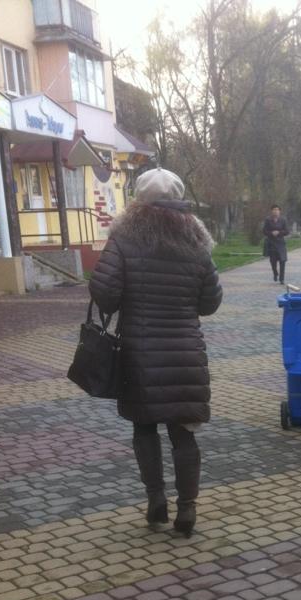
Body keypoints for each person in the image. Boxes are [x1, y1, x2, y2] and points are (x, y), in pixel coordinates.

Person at [89, 168, 223, 535]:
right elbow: (210, 302)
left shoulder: (124, 238)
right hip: (185, 354)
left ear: (139, 198)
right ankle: (188, 509)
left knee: (144, 428)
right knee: (184, 433)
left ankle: (156, 500)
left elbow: (105, 293)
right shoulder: (196, 240)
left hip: (140, 355)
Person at [263, 204, 290, 284]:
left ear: (279, 211)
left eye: (277, 210)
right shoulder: (268, 220)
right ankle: (275, 273)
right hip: (271, 243)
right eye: (274, 210)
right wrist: (271, 233)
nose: (276, 211)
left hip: (281, 243)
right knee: (273, 262)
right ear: (272, 211)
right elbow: (264, 231)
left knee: (282, 261)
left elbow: (287, 231)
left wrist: (279, 232)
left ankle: (282, 279)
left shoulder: (283, 220)